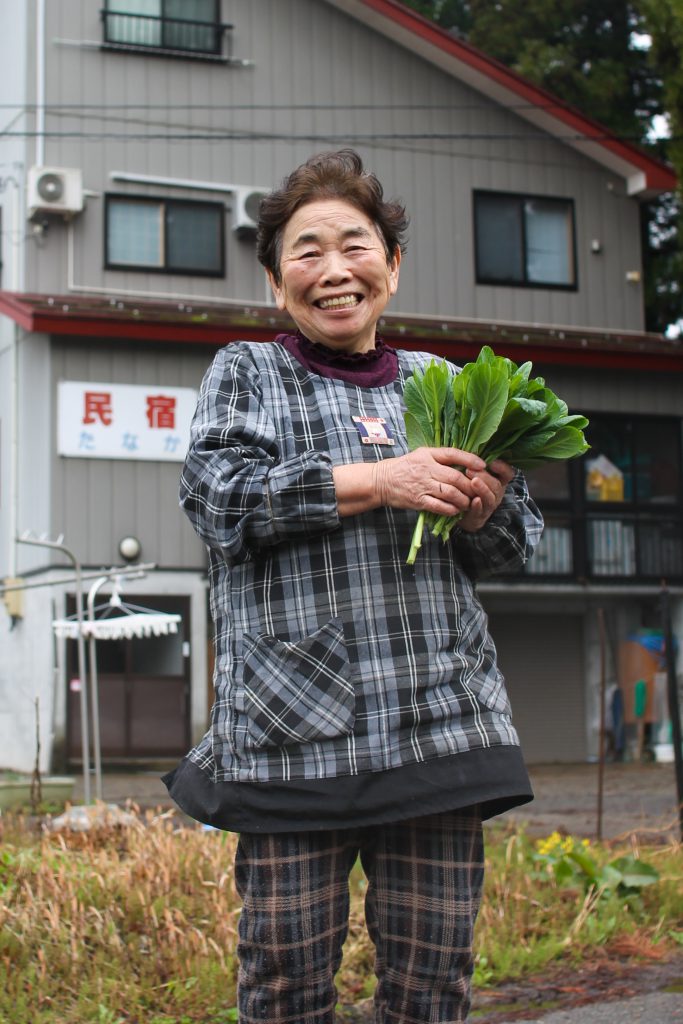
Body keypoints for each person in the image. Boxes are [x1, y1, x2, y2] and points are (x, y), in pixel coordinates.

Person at [164, 149, 543, 1024]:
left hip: (439, 722)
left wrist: (484, 507)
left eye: (355, 245)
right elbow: (217, 497)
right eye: (305, 251)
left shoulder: (443, 384)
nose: (334, 270)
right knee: (287, 985)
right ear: (275, 280)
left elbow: (515, 546)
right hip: (294, 726)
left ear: (392, 264)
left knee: (431, 986)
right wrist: (383, 480)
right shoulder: (247, 372)